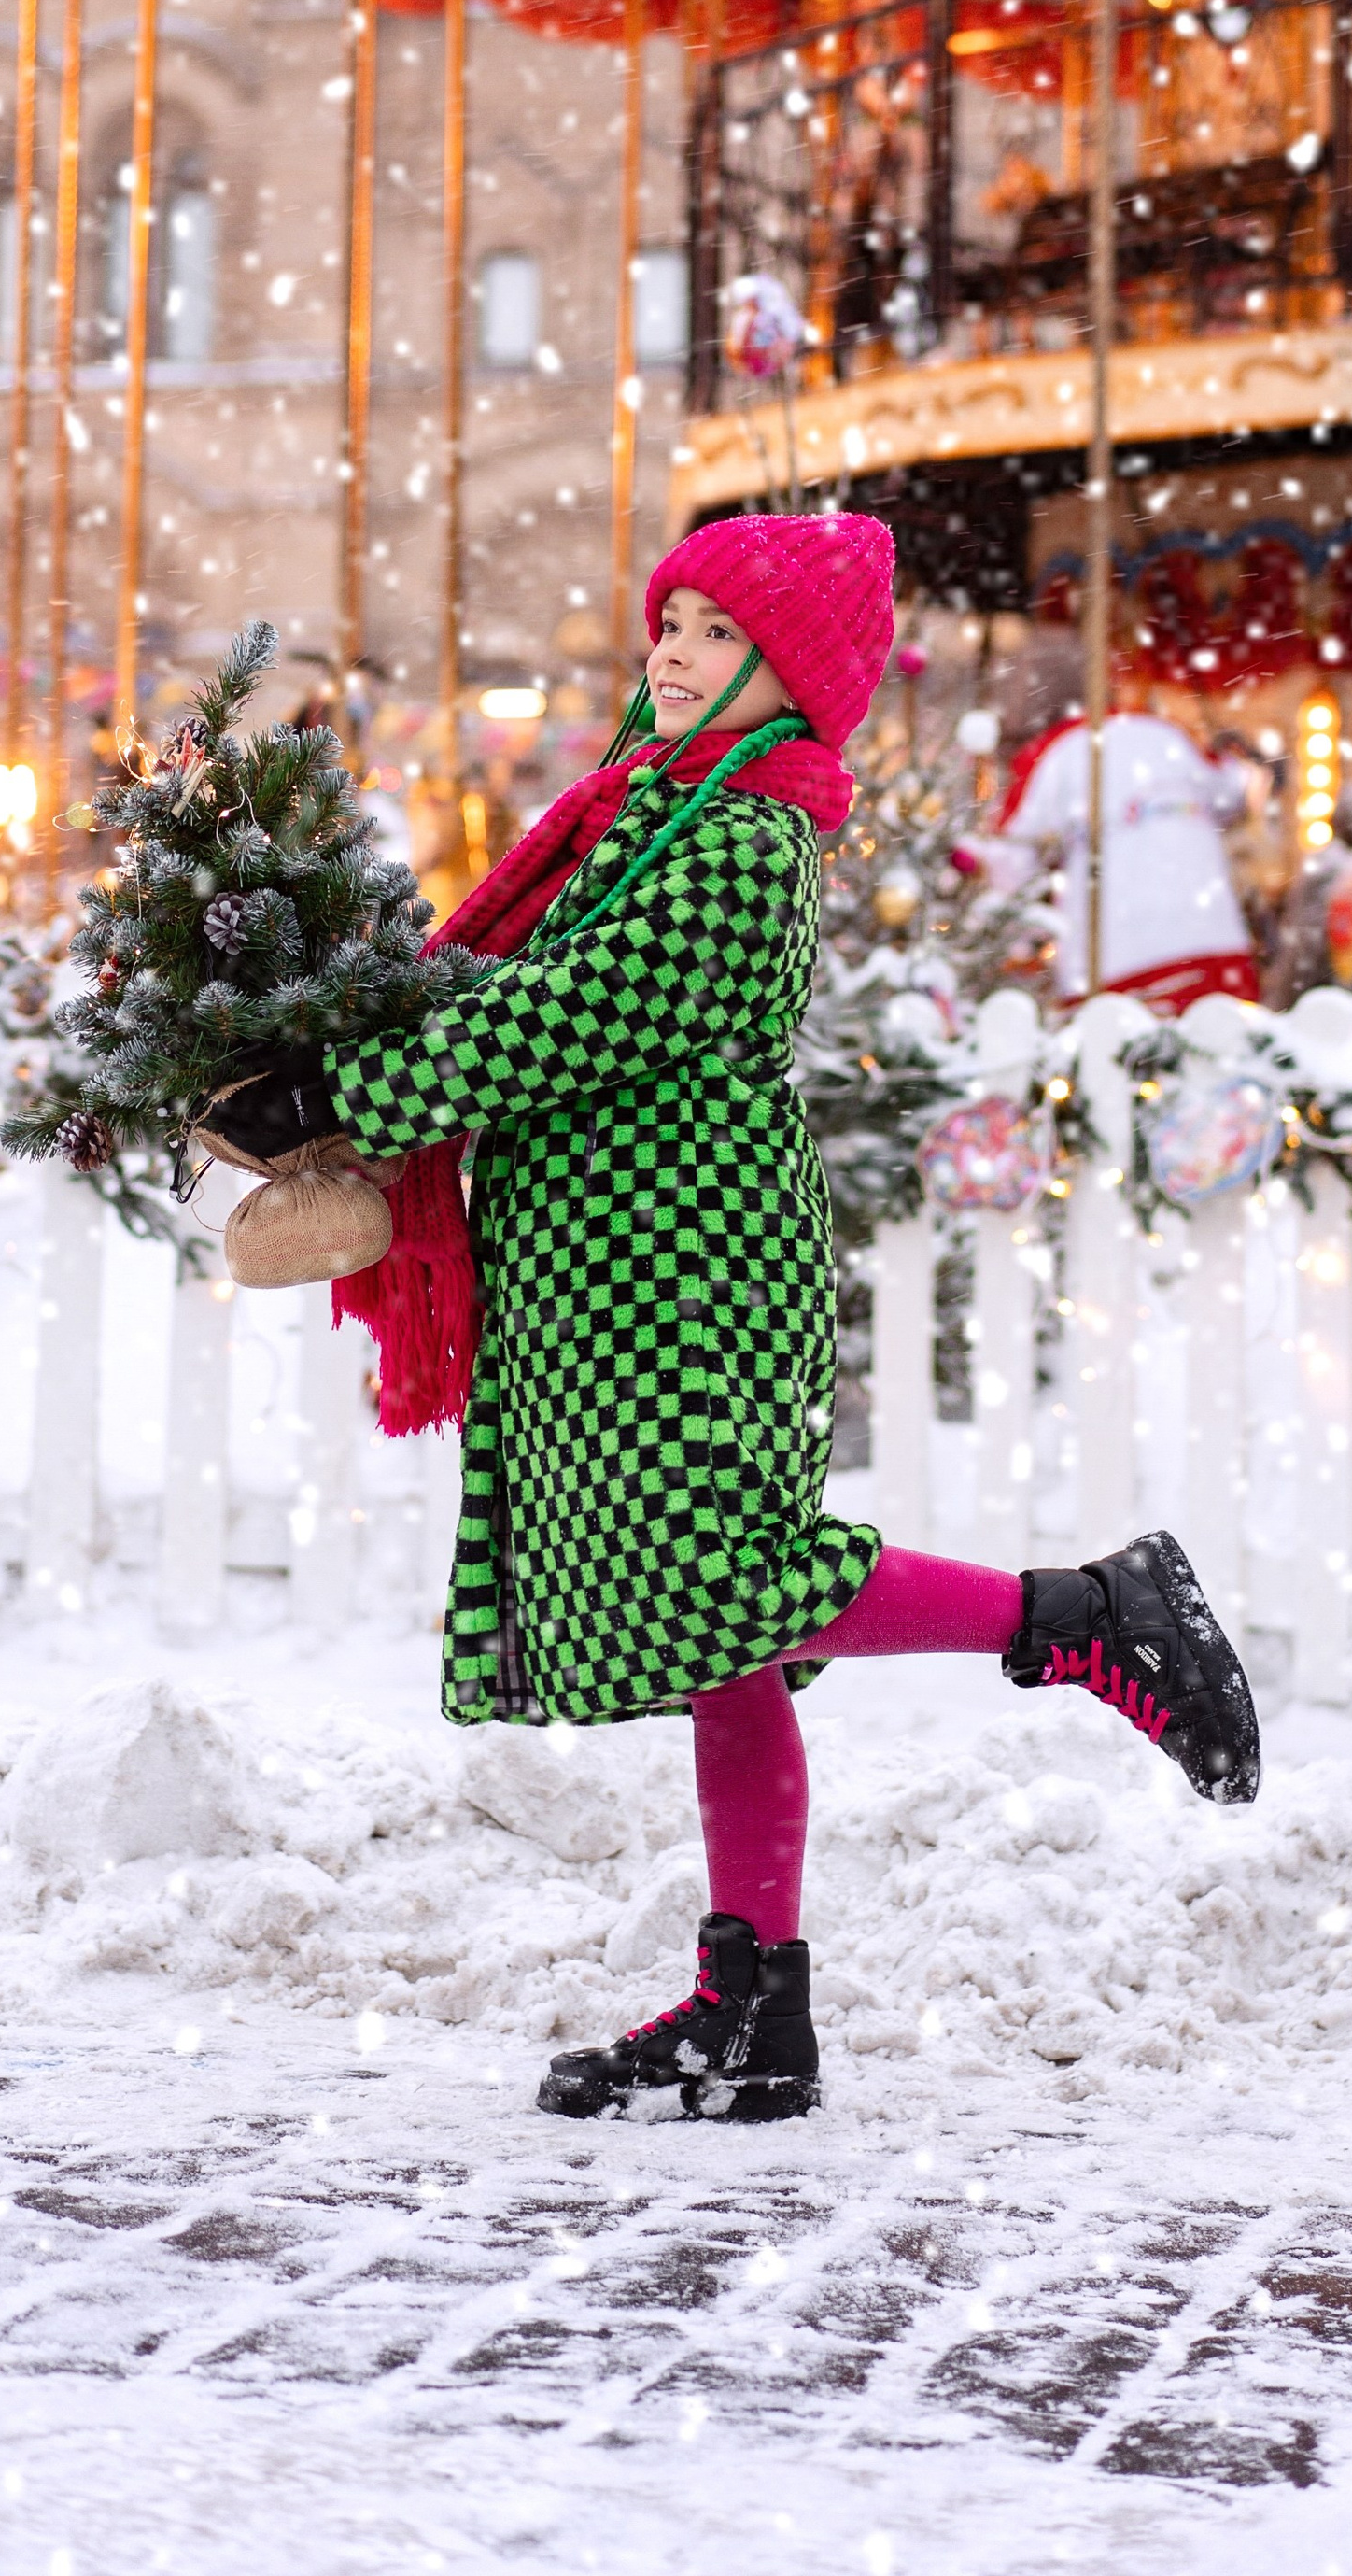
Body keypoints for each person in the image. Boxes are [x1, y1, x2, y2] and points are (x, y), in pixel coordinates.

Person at [207, 512, 1259, 2123]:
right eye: (671, 625)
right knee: (723, 1654)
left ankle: (1088, 1614)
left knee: (726, 1586)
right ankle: (749, 2006)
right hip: (593, 1270)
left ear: (791, 672)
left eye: (714, 634)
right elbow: (502, 990)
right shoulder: (639, 812)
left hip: (684, 1273)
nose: (675, 658)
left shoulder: (749, 840)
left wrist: (343, 1089)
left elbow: (575, 1017)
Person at [998, 700, 1260, 1011]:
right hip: (1212, 940)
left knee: (1110, 1043)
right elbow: (1231, 791)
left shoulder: (1049, 755)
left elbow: (1007, 852)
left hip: (1110, 953)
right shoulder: (1169, 732)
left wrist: (1024, 942)